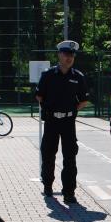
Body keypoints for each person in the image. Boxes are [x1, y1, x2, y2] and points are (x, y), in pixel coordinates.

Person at [34, 40, 89, 203]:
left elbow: (84, 100)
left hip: (68, 123)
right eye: (66, 54)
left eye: (71, 55)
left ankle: (69, 192)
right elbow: (39, 96)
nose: (69, 58)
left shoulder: (78, 77)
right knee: (48, 154)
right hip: (51, 121)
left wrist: (70, 111)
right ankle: (48, 185)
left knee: (70, 158)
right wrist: (51, 109)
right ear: (59, 55)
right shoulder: (48, 75)